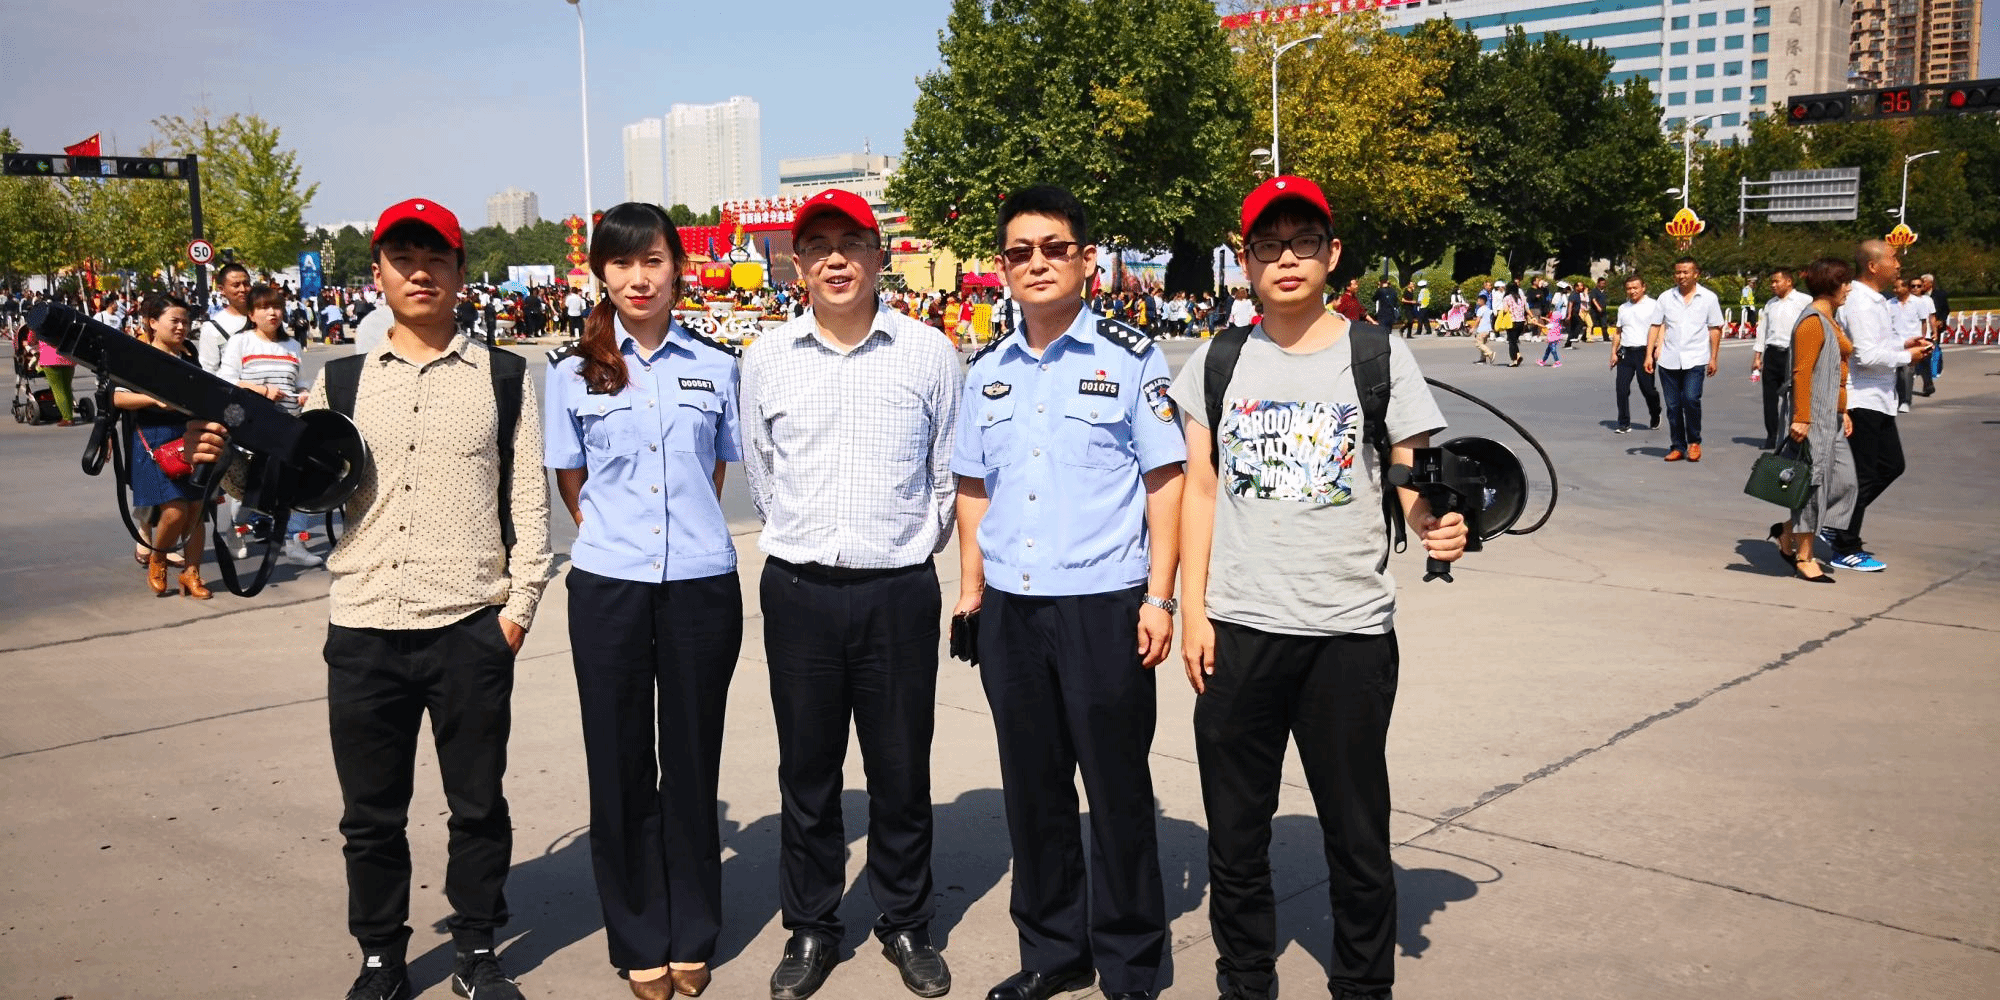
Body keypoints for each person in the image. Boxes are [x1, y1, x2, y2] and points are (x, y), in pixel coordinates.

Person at [186, 198, 555, 1000]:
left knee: (478, 806)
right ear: (379, 274)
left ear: (460, 271)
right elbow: (299, 484)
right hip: (364, 629)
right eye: (403, 259)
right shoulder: (343, 381)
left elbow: (530, 506)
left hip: (469, 625)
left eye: (436, 258)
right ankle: (382, 957)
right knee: (370, 814)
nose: (420, 273)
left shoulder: (505, 379)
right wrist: (228, 461)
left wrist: (517, 612)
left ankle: (477, 952)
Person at [1168, 175, 1467, 1000]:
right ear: (1245, 263)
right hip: (1240, 628)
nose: (1287, 259)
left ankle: (1363, 986)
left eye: (1304, 242)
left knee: (1357, 835)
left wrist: (1437, 522)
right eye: (1268, 245)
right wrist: (1193, 612)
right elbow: (1199, 490)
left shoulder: (1378, 355)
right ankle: (1245, 981)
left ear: (1333, 254)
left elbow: (1409, 477)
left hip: (1350, 633)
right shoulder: (1218, 361)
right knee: (1236, 836)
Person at [951, 186, 1184, 1000]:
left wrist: (1160, 598)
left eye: (1055, 248)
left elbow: (1165, 481)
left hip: (1103, 606)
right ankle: (1053, 950)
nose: (1038, 263)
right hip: (1012, 611)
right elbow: (972, 488)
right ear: (1002, 266)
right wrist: (970, 595)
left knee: (1116, 792)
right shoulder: (986, 370)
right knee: (1034, 790)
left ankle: (1129, 963)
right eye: (1020, 251)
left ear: (1086, 260)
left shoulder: (1130, 357)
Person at [739, 189, 961, 1000]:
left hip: (897, 592)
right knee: (807, 770)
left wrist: (904, 548)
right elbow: (762, 474)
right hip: (799, 590)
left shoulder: (929, 353)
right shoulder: (765, 358)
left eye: (851, 243)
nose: (835, 259)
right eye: (818, 246)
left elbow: (946, 474)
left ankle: (906, 921)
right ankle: (811, 925)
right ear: (798, 263)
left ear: (878, 255)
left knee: (901, 767)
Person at [544, 203, 742, 1000]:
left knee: (692, 762)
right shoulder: (571, 373)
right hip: (609, 587)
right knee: (620, 763)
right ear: (601, 273)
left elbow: (714, 472)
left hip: (699, 585)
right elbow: (572, 480)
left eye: (653, 260)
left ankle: (692, 930)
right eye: (622, 263)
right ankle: (637, 936)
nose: (639, 277)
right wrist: (620, 536)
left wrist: (678, 533)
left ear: (677, 269)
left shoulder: (717, 366)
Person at [1824, 240, 1935, 572]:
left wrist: (1904, 343)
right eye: (1893, 258)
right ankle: (1845, 545)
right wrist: (1907, 356)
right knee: (1864, 474)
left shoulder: (1876, 301)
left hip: (1880, 399)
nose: (1898, 265)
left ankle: (1834, 522)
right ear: (1873, 266)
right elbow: (1866, 355)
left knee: (1890, 466)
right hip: (1862, 400)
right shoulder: (1859, 302)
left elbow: (1878, 343)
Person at [217, 284, 323, 568]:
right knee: (249, 488)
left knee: (294, 486)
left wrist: (304, 393)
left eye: (276, 307)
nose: (272, 313)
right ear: (252, 314)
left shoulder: (292, 346)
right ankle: (237, 532)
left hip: (288, 426)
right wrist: (262, 390)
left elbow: (298, 381)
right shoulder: (241, 342)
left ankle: (294, 543)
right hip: (250, 427)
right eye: (264, 308)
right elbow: (226, 380)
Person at [115, 292, 211, 599]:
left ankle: (192, 574)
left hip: (191, 436)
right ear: (153, 323)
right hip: (153, 440)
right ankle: (158, 558)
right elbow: (116, 397)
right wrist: (153, 400)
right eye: (175, 321)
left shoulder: (189, 355)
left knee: (196, 511)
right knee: (174, 511)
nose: (181, 327)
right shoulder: (137, 356)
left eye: (186, 321)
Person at [1768, 257, 1858, 584]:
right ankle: (1804, 557)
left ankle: (1788, 530)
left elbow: (1835, 371)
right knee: (1813, 486)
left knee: (1846, 483)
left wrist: (1843, 410)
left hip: (1832, 415)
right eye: (1845, 283)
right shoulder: (1812, 321)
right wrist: (1802, 418)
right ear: (1831, 285)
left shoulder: (1831, 319)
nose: (1848, 289)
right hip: (1814, 417)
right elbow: (1802, 372)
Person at [1645, 258, 1724, 462]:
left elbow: (1715, 329)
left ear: (1696, 274)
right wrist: (1648, 355)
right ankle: (1677, 446)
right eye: (1678, 272)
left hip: (1696, 358)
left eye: (1686, 272)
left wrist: (1714, 357)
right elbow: (1655, 325)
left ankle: (1694, 442)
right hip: (1668, 359)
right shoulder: (1665, 297)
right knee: (1673, 406)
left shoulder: (1708, 298)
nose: (1681, 276)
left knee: (1690, 399)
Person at [1751, 266, 1812, 450]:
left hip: (1793, 353)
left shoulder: (1804, 301)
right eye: (1771, 282)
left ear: (1789, 281)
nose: (1773, 285)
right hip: (1772, 354)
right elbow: (1762, 331)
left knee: (1795, 397)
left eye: (1776, 281)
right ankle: (1772, 436)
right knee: (1769, 398)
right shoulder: (1770, 304)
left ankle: (1795, 436)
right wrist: (1757, 357)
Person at [1609, 275, 1662, 434]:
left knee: (1648, 389)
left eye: (1635, 288)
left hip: (1645, 352)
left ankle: (1655, 412)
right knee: (1621, 389)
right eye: (1629, 288)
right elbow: (1618, 332)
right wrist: (1613, 353)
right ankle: (1624, 423)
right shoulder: (1623, 308)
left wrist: (1659, 346)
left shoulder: (1653, 305)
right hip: (1626, 352)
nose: (1632, 291)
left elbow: (1660, 327)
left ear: (1643, 287)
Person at [197, 262, 252, 373]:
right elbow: (209, 370)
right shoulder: (212, 327)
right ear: (222, 289)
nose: (243, 289)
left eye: (246, 284)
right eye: (236, 285)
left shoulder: (263, 317)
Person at [1916, 273, 1946, 394]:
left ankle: (1928, 385)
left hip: (1926, 335)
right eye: (1914, 286)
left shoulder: (1929, 299)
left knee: (1925, 360)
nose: (1917, 288)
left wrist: (1935, 331)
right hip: (1909, 335)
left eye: (1920, 285)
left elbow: (1932, 317)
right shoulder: (1906, 300)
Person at [1471, 291, 1495, 363]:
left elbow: (1478, 320)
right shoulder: (1488, 309)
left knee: (1478, 344)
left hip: (1482, 329)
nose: (1477, 302)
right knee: (1482, 344)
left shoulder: (1480, 309)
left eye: (1478, 300)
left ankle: (1490, 353)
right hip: (1488, 329)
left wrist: (1473, 328)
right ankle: (1483, 359)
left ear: (1482, 301)